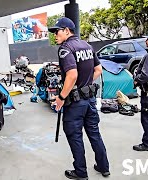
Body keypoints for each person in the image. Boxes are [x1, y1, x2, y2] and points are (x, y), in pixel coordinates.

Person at [48, 17, 110, 180]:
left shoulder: (65, 48)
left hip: (75, 103)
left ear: (67, 31)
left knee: (75, 137)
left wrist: (61, 97)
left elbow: (72, 75)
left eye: (57, 31)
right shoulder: (87, 46)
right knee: (94, 134)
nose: (55, 35)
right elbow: (98, 69)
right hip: (89, 100)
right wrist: (86, 84)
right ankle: (104, 167)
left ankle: (81, 173)